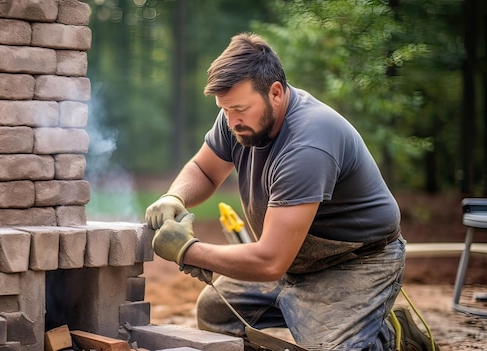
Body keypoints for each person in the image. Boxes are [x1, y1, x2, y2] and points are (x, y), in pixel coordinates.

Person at [145, 33, 439, 351]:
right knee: (217, 315)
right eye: (225, 110)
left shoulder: (308, 142)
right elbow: (204, 170)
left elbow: (270, 261)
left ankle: (391, 340)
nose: (231, 121)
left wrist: (188, 250)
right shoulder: (237, 117)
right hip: (293, 256)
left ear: (275, 92)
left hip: (354, 262)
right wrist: (174, 197)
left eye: (239, 109)